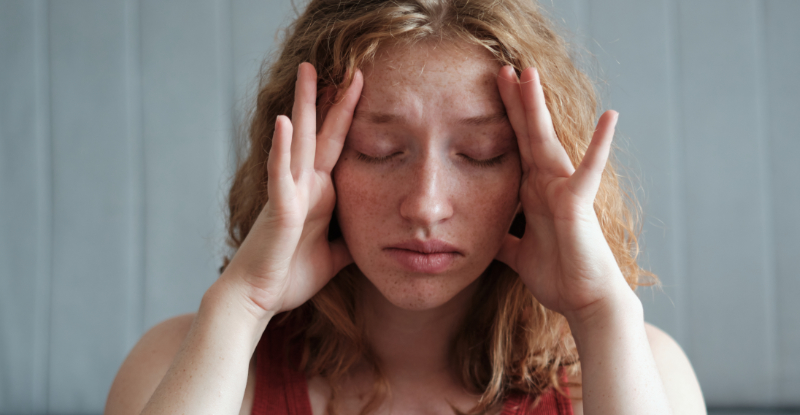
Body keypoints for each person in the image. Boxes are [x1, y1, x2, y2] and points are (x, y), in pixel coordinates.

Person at [106, 0, 706, 413]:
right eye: (379, 149)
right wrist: (242, 305)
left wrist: (601, 313)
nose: (425, 205)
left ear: (532, 169)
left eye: (479, 153)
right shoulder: (176, 363)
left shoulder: (640, 368)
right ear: (300, 158)